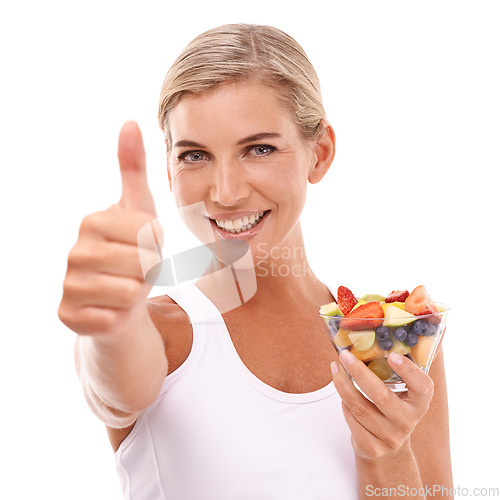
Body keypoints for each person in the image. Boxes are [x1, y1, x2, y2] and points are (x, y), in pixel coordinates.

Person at [58, 24, 453, 499]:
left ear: (320, 153)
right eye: (195, 155)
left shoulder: (398, 339)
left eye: (259, 149)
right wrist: (111, 322)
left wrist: (386, 455)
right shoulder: (161, 333)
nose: (226, 192)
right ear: (169, 169)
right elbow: (113, 384)